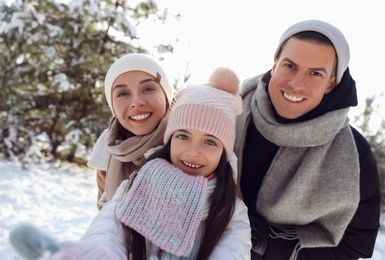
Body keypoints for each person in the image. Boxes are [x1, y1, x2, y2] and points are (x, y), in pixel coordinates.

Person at [9, 67, 252, 260]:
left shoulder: (230, 209)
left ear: (224, 152)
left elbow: (232, 252)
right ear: (170, 140)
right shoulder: (138, 183)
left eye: (210, 142)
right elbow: (110, 229)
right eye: (182, 136)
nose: (193, 151)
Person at [234, 19, 381, 259]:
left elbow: (354, 246)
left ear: (330, 84)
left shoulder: (355, 156)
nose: (295, 84)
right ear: (274, 65)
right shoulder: (228, 112)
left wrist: (267, 244)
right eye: (289, 66)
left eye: (315, 73)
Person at [87, 53, 174, 209]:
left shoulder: (189, 142)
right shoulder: (109, 152)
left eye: (148, 88)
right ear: (113, 106)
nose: (136, 102)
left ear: (166, 96)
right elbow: (104, 217)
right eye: (122, 93)